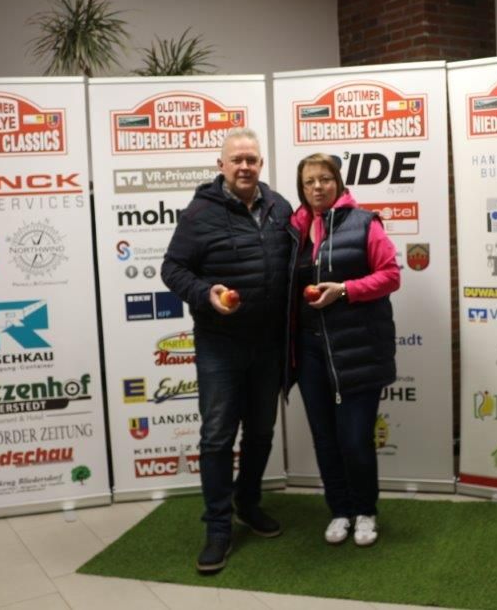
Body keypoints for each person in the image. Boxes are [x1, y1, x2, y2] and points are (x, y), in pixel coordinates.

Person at [161, 128, 293, 573]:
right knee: (217, 436)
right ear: (221, 165)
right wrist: (205, 294)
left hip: (268, 344)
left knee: (260, 432)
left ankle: (247, 502)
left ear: (261, 164)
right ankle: (218, 526)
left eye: (251, 159)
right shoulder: (200, 213)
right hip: (220, 344)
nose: (244, 166)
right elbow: (172, 268)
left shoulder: (278, 207)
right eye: (236, 159)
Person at [287, 153, 400, 547]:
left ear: (337, 182)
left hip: (357, 348)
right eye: (309, 182)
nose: (317, 187)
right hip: (310, 350)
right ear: (301, 189)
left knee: (355, 438)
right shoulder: (294, 230)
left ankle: (365, 510)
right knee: (325, 438)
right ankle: (339, 509)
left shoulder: (365, 223)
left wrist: (346, 290)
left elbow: (391, 275)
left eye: (324, 179)